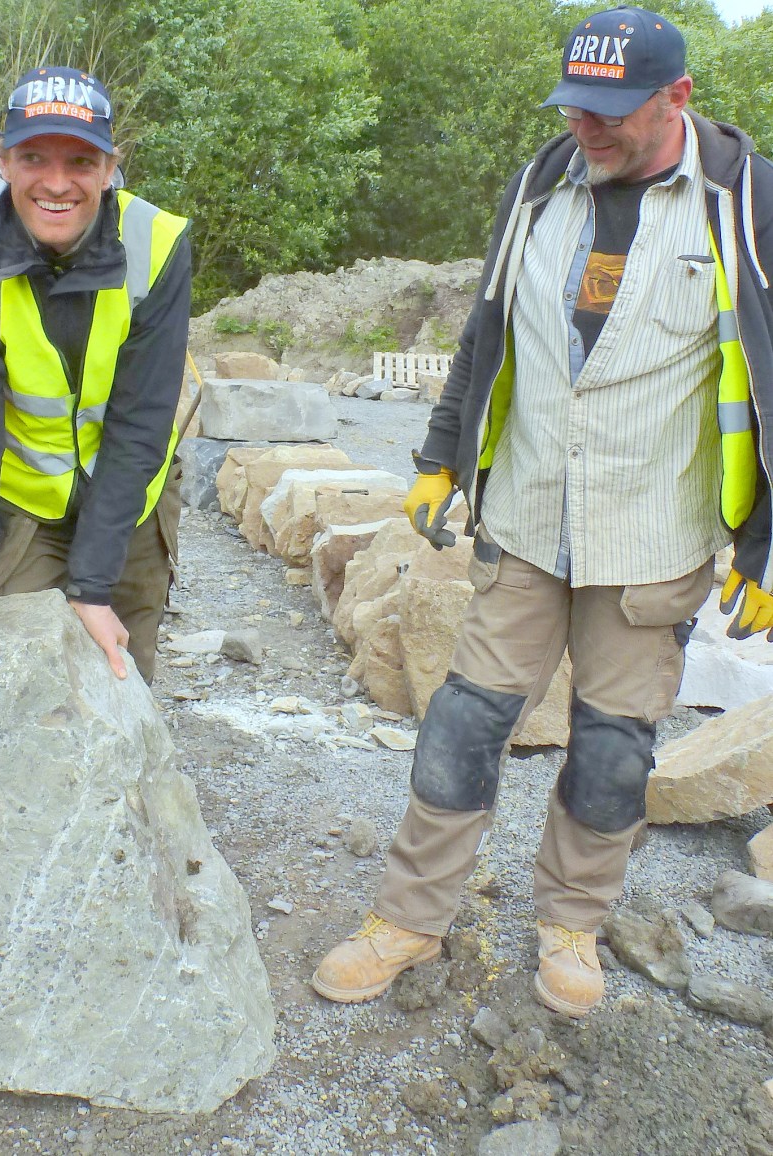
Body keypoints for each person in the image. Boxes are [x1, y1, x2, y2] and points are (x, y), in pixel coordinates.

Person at [313, 6, 773, 1018]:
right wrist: (438, 459)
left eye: (611, 112)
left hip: (651, 536)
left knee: (613, 747)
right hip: (524, 520)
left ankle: (570, 919)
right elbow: (483, 331)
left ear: (677, 97)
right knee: (462, 725)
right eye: (574, 107)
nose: (587, 129)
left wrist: (762, 538)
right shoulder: (538, 184)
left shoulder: (741, 199)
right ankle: (409, 914)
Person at [0, 65, 190, 699]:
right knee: (2, 676)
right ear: (4, 162)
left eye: (81, 161)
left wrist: (92, 586)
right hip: (20, 495)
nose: (57, 183)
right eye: (34, 157)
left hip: (129, 490)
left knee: (120, 675)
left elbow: (141, 421)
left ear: (112, 167)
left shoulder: (159, 244)